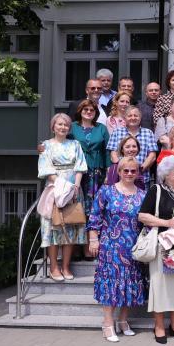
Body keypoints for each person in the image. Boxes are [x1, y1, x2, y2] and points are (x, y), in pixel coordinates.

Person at [87, 156, 145, 342]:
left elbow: (146, 221)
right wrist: (93, 239)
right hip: (110, 246)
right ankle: (107, 323)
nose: (129, 173)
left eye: (133, 171)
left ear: (137, 173)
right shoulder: (106, 192)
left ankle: (123, 320)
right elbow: (95, 216)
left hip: (133, 246)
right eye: (125, 170)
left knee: (130, 282)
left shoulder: (142, 195)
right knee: (111, 284)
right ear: (119, 172)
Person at [138, 156, 174, 343]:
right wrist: (166, 223)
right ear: (167, 174)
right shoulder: (156, 190)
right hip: (161, 245)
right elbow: (142, 216)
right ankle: (159, 326)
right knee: (160, 287)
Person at [38, 113, 88, 281]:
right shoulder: (46, 146)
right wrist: (63, 185)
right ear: (53, 127)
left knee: (71, 227)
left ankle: (66, 267)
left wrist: (75, 187)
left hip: (73, 190)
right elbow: (45, 169)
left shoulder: (75, 144)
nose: (63, 127)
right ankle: (53, 267)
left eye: (66, 125)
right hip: (55, 189)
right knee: (53, 229)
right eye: (59, 124)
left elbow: (80, 166)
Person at [69, 99, 110, 259]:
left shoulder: (101, 128)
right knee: (75, 209)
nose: (88, 112)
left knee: (91, 210)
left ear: (96, 113)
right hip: (76, 173)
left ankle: (87, 247)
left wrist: (108, 173)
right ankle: (75, 247)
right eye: (85, 109)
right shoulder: (72, 127)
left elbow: (107, 151)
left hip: (96, 174)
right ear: (80, 111)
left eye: (91, 110)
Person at [107, 106, 157, 190]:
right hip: (121, 179)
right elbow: (113, 154)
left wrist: (139, 170)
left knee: (142, 202)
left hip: (142, 178)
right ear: (125, 118)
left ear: (140, 118)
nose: (133, 118)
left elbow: (152, 156)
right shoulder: (117, 132)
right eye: (130, 116)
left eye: (136, 115)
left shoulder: (148, 133)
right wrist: (122, 169)